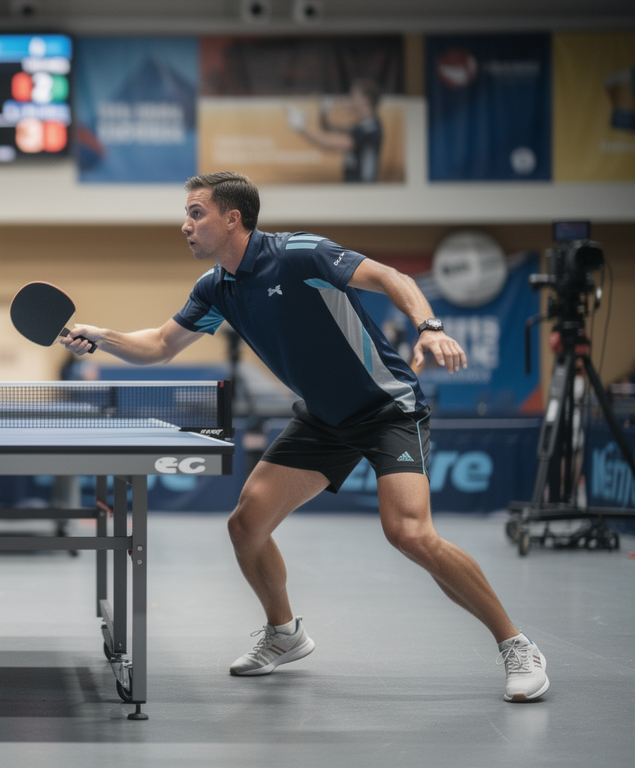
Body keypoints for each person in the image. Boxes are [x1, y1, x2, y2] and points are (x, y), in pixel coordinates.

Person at [59, 171, 549, 703]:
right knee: (247, 524)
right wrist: (101, 335)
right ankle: (285, 633)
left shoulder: (300, 254)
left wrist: (429, 327)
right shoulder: (216, 288)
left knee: (409, 532)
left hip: (386, 410)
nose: (186, 224)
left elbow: (389, 277)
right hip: (324, 418)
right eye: (187, 214)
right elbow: (158, 345)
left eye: (196, 213)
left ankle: (516, 644)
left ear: (233, 218)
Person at [287, 78, 384, 183]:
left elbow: (330, 144)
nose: (350, 99)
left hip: (363, 188)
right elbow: (328, 129)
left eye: (354, 95)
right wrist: (324, 111)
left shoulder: (369, 128)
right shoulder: (360, 126)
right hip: (354, 186)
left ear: (365, 99)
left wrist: (301, 128)